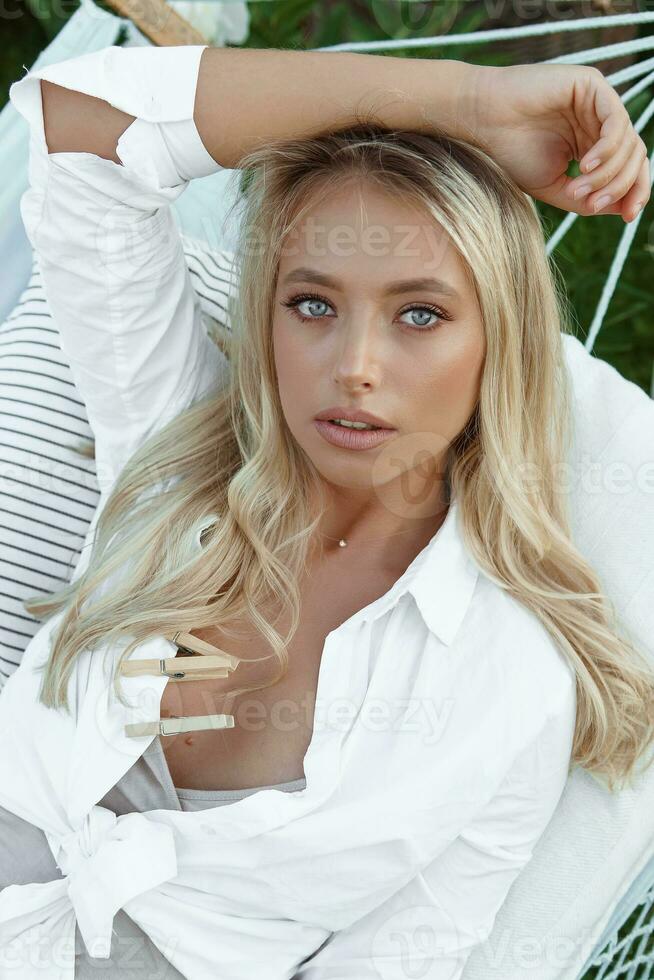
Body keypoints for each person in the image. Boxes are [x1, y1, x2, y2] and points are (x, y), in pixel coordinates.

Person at [0, 40, 652, 980]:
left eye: (419, 314)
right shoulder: (170, 439)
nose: (355, 366)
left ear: (498, 344)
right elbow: (81, 127)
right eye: (313, 305)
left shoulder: (507, 690)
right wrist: (467, 103)